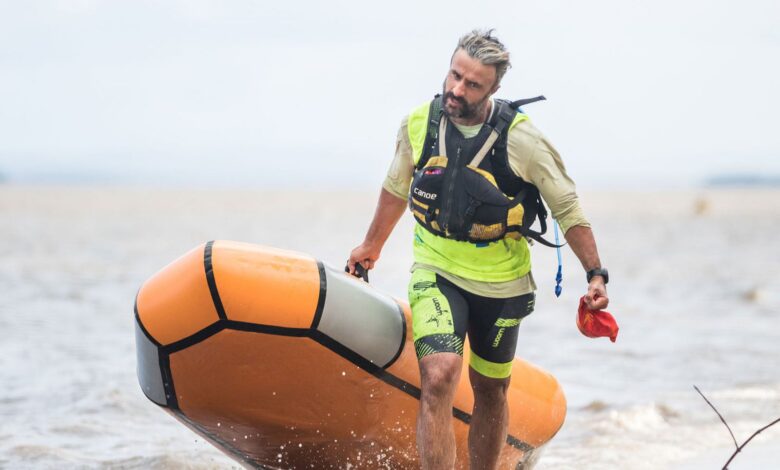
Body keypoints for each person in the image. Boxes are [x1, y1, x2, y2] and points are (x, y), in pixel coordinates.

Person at [348, 29, 609, 470]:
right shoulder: (418, 123)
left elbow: (566, 205)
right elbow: (396, 188)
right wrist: (370, 246)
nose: (456, 89)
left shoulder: (523, 140)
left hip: (501, 284)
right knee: (439, 373)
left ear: (494, 89)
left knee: (491, 390)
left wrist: (596, 274)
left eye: (472, 84)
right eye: (454, 75)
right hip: (437, 269)